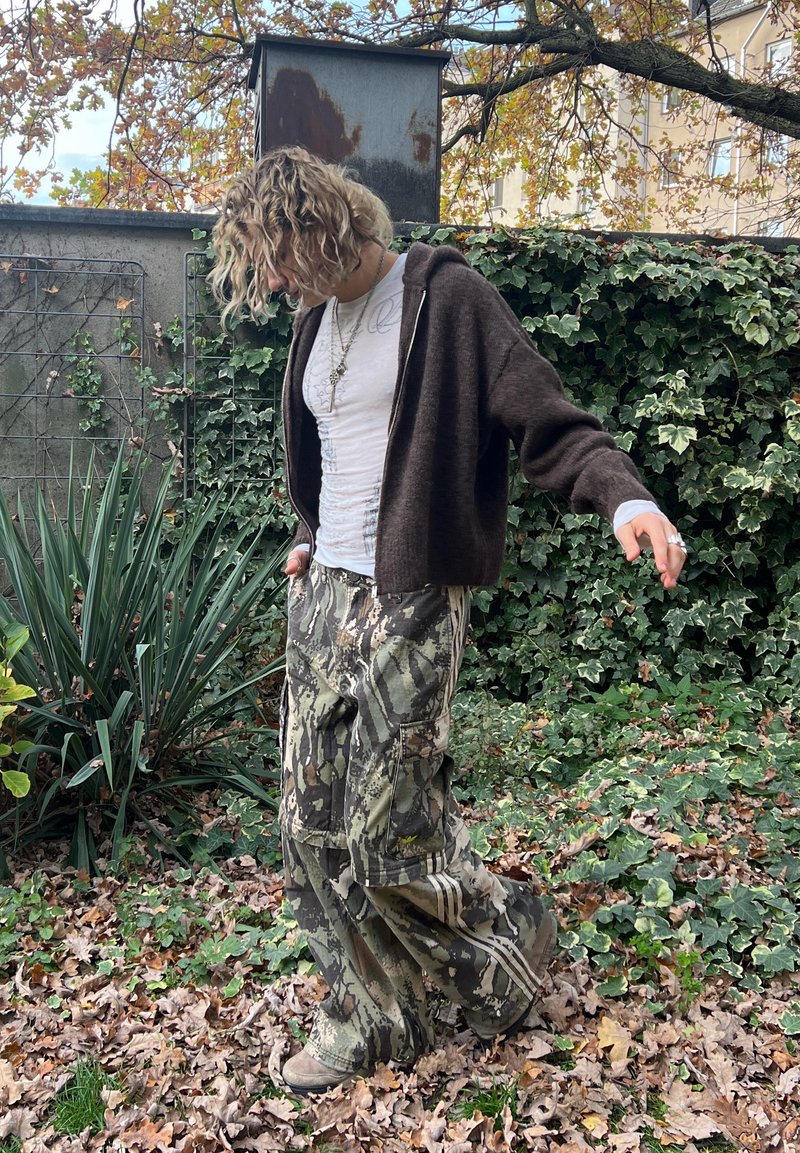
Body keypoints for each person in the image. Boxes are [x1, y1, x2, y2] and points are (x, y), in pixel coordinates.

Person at [209, 146, 686, 1096]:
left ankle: (504, 926)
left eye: (279, 253)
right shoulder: (316, 322)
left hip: (414, 598)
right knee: (308, 830)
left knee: (391, 837)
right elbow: (336, 451)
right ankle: (364, 1016)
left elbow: (549, 418)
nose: (271, 279)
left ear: (325, 226)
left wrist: (625, 498)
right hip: (323, 598)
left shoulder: (446, 299)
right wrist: (309, 533)